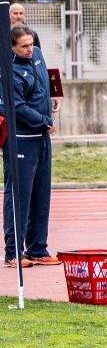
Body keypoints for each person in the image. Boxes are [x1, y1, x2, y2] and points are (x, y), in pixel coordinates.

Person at [5, 24, 56, 268]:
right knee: (19, 195)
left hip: (43, 137)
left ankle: (38, 248)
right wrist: (43, 120)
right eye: (24, 46)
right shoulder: (9, 69)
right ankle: (14, 252)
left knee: (42, 195)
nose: (29, 50)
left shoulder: (36, 55)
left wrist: (52, 102)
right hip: (23, 140)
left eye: (31, 44)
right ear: (12, 47)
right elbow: (17, 107)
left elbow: (46, 82)